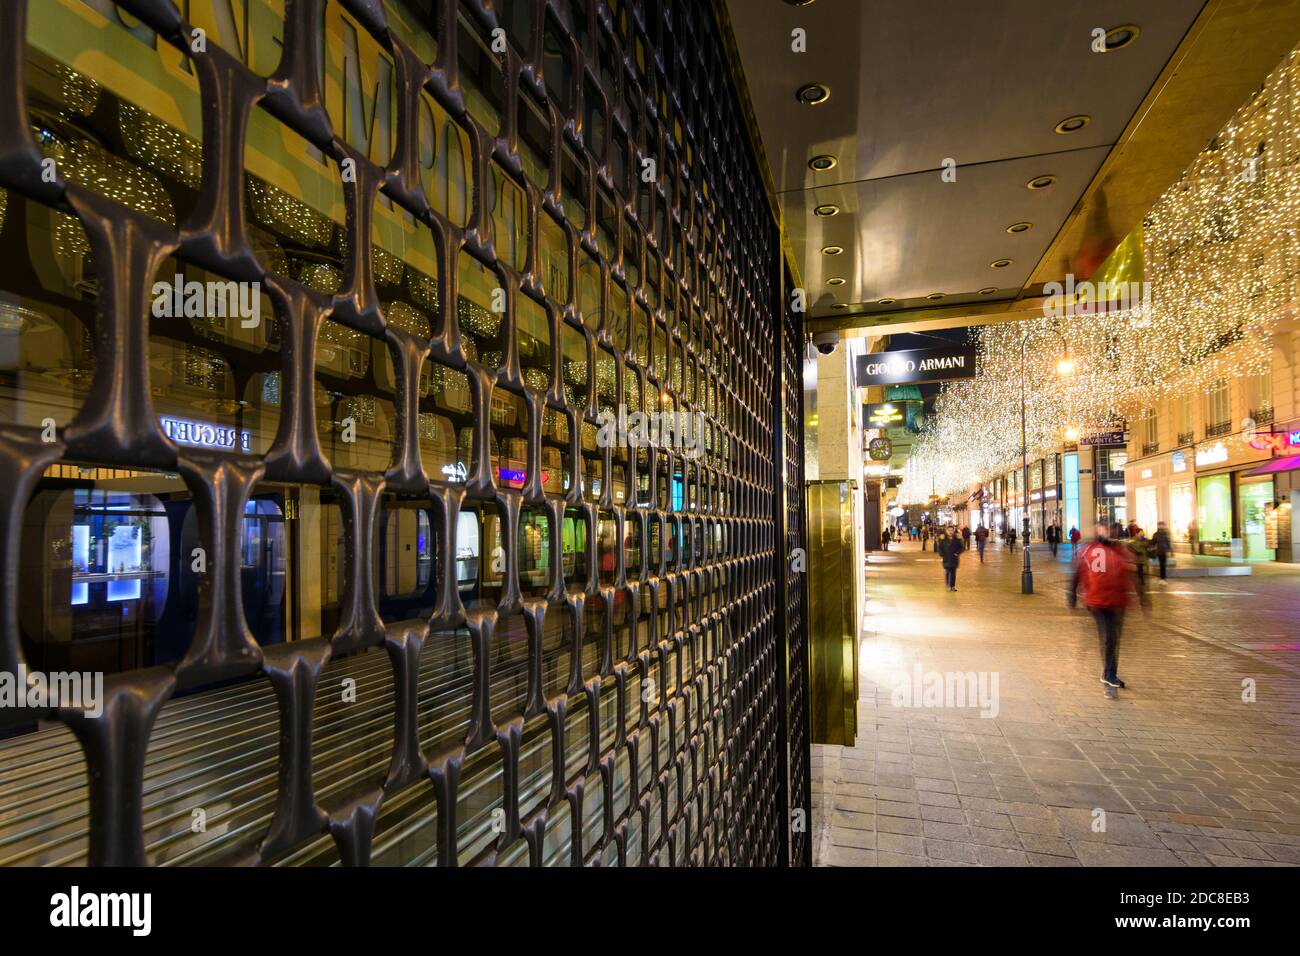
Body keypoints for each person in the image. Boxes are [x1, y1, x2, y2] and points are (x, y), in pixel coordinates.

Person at [1068, 522, 1137, 697]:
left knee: (1113, 639)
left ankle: (1111, 672)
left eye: (1108, 529)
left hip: (1117, 601)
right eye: (1102, 529)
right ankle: (1108, 675)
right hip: (1097, 601)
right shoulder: (1088, 550)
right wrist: (1072, 597)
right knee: (1108, 637)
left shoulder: (1119, 550)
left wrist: (1142, 599)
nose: (1106, 532)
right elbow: (1077, 573)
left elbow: (1132, 574)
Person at [936, 525, 965, 591]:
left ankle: (953, 586)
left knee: (953, 573)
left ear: (954, 530)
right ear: (946, 531)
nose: (950, 532)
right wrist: (942, 554)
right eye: (949, 530)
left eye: (952, 530)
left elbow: (962, 547)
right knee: (947, 572)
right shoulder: (942, 538)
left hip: (954, 558)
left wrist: (957, 553)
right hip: (946, 558)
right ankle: (948, 585)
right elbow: (939, 547)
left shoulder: (957, 538)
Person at [1128, 525, 1150, 605]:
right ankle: (1140, 580)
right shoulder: (1134, 539)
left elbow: (1147, 545)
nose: (1142, 533)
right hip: (1137, 558)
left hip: (1143, 557)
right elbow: (1133, 546)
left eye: (1142, 532)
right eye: (1141, 532)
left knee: (1142, 569)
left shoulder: (1144, 539)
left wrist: (1143, 541)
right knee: (1139, 569)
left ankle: (1141, 579)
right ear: (1137, 533)